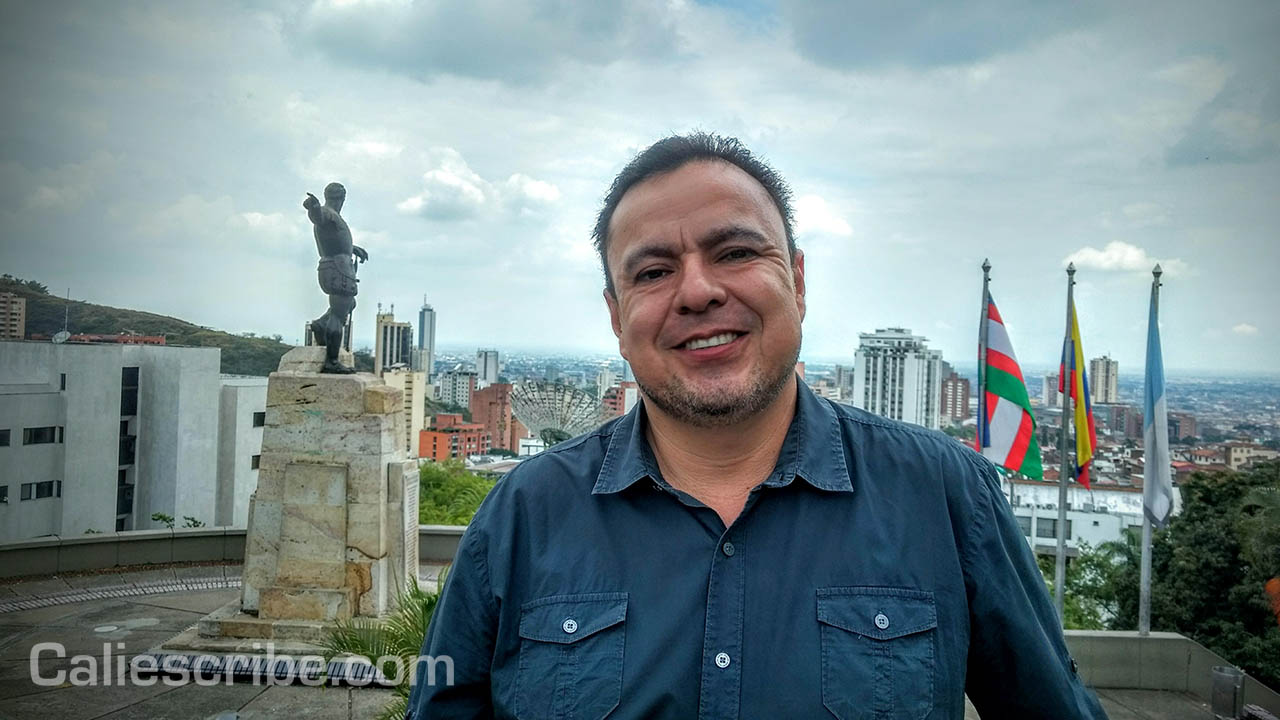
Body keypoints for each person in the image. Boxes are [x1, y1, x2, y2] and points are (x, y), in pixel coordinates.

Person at [405, 133, 1107, 719]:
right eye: (652, 271)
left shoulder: (943, 496)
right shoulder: (526, 514)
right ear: (617, 317)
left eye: (736, 253)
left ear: (797, 281)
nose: (699, 290)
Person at [304, 181, 367, 374]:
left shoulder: (334, 216)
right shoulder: (328, 213)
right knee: (339, 315)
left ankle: (320, 324)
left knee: (349, 305)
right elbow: (318, 217)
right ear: (341, 198)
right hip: (338, 270)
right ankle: (331, 361)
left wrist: (352, 248)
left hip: (335, 266)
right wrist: (313, 208)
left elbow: (333, 240)